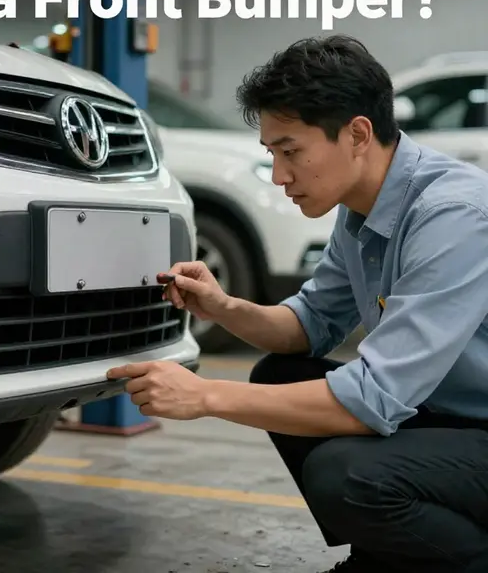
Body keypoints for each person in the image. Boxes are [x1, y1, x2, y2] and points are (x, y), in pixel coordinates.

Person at [107, 35, 488, 573]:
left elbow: (375, 398)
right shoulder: (360, 210)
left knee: (346, 474)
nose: (280, 175)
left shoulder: (452, 215)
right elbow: (308, 326)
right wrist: (222, 307)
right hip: (444, 416)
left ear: (357, 134)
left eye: (291, 152)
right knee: (279, 373)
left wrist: (205, 396)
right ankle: (388, 554)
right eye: (273, 154)